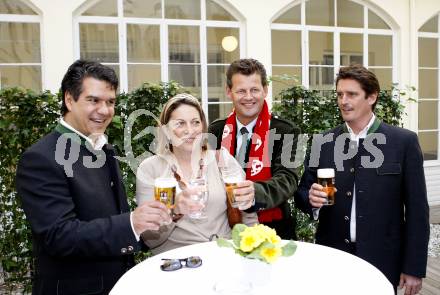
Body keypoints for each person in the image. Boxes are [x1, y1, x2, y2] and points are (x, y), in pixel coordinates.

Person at [16, 60, 171, 295]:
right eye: (93, 100)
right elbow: (59, 236)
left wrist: (156, 216)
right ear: (69, 99)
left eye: (110, 102)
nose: (105, 110)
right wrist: (131, 223)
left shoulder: (102, 147)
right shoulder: (40, 158)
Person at [294, 64, 429, 294]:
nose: (343, 101)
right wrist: (312, 200)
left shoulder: (403, 142)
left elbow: (417, 211)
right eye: (339, 94)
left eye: (352, 94)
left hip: (383, 260)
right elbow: (302, 193)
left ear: (372, 97)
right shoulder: (323, 142)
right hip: (333, 257)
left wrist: (414, 267)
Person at [136, 93, 258, 254]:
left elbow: (248, 217)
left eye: (195, 123)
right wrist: (174, 211)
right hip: (177, 264)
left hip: (225, 256)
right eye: (180, 124)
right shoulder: (150, 169)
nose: (190, 130)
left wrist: (251, 253)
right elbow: (150, 238)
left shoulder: (222, 159)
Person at [208, 58, 301, 240]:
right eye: (241, 91)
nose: (248, 97)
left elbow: (288, 179)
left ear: (265, 90)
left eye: (255, 90)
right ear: (229, 92)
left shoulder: (288, 131)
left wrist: (255, 193)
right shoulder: (215, 131)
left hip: (274, 232)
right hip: (223, 230)